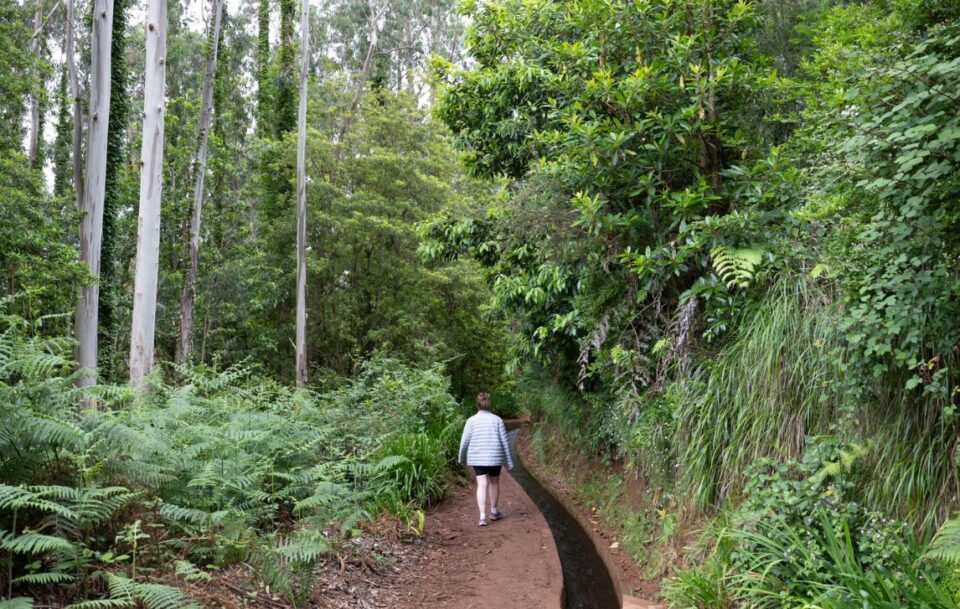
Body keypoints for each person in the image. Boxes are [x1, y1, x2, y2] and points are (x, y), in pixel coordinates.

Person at [458, 392, 515, 527]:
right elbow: (505, 442)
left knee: (482, 484)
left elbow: (464, 441)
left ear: (477, 404)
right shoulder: (497, 420)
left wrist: (461, 457)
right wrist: (509, 461)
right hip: (495, 457)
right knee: (494, 483)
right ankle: (494, 512)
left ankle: (482, 517)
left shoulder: (471, 421)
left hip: (478, 457)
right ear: (490, 404)